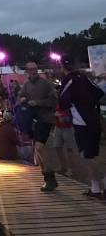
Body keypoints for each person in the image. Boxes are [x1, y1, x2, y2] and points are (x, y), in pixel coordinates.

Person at [59, 55, 105, 199]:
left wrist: (76, 104)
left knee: (87, 155)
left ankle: (100, 186)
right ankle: (95, 187)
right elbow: (99, 92)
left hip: (81, 121)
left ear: (62, 67)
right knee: (93, 154)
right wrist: (89, 104)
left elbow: (62, 102)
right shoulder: (84, 77)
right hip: (94, 119)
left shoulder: (69, 79)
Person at [18, 61, 57, 191]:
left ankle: (50, 178)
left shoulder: (45, 84)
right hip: (32, 119)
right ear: (27, 71)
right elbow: (20, 96)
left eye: (35, 69)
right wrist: (22, 99)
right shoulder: (26, 85)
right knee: (37, 149)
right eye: (30, 70)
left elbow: (53, 100)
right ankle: (47, 178)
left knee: (40, 147)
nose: (33, 72)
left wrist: (38, 102)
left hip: (45, 119)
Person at [53, 103, 79, 177]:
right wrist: (55, 115)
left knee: (70, 149)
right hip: (58, 127)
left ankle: (71, 169)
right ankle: (63, 166)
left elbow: (75, 117)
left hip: (68, 128)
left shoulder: (72, 103)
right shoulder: (59, 101)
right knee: (57, 147)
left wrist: (64, 118)